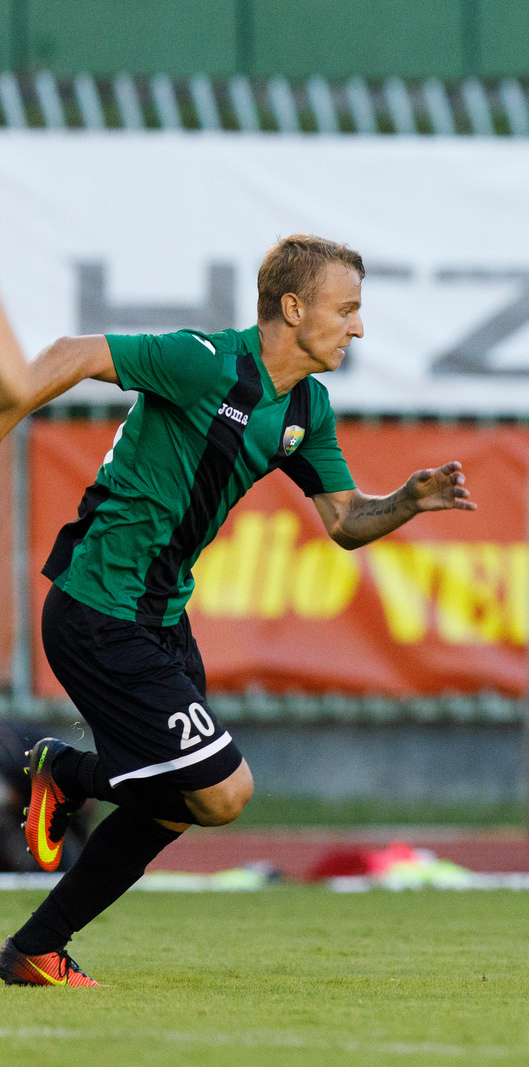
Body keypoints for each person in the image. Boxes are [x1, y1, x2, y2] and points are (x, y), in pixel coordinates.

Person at [0, 234, 476, 987]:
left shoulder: (307, 406)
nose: (358, 327)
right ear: (293, 308)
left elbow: (346, 521)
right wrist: (11, 407)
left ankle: (35, 944)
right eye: (346, 309)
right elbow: (75, 350)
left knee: (181, 802)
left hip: (159, 617)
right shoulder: (203, 361)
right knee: (226, 789)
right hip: (98, 606)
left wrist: (409, 501)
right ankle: (63, 772)